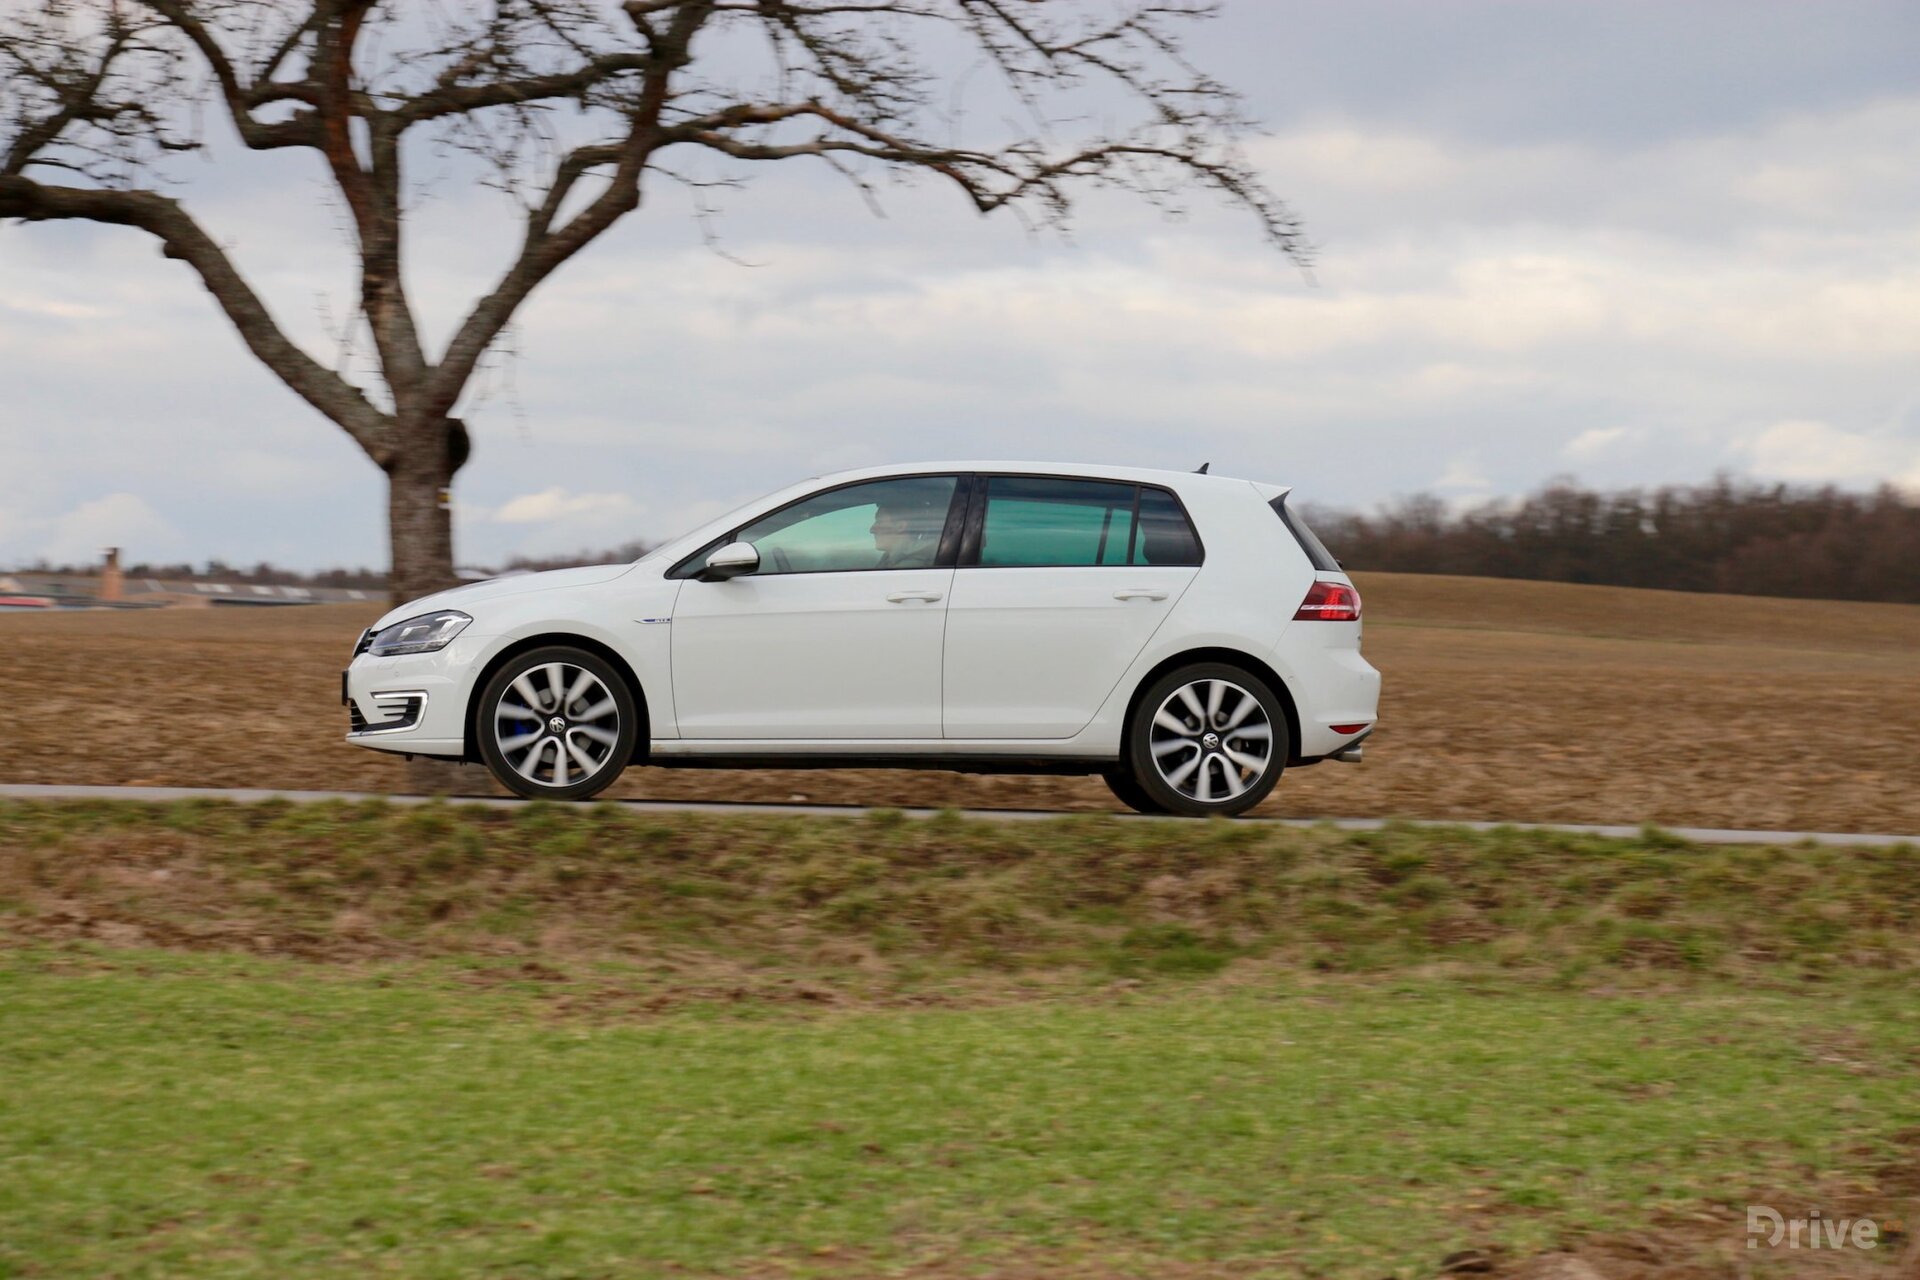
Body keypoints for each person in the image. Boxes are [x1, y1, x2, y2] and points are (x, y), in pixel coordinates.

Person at [871, 492, 945, 568]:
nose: (871, 530)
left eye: (879, 522)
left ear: (901, 527)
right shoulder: (889, 560)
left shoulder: (910, 566)